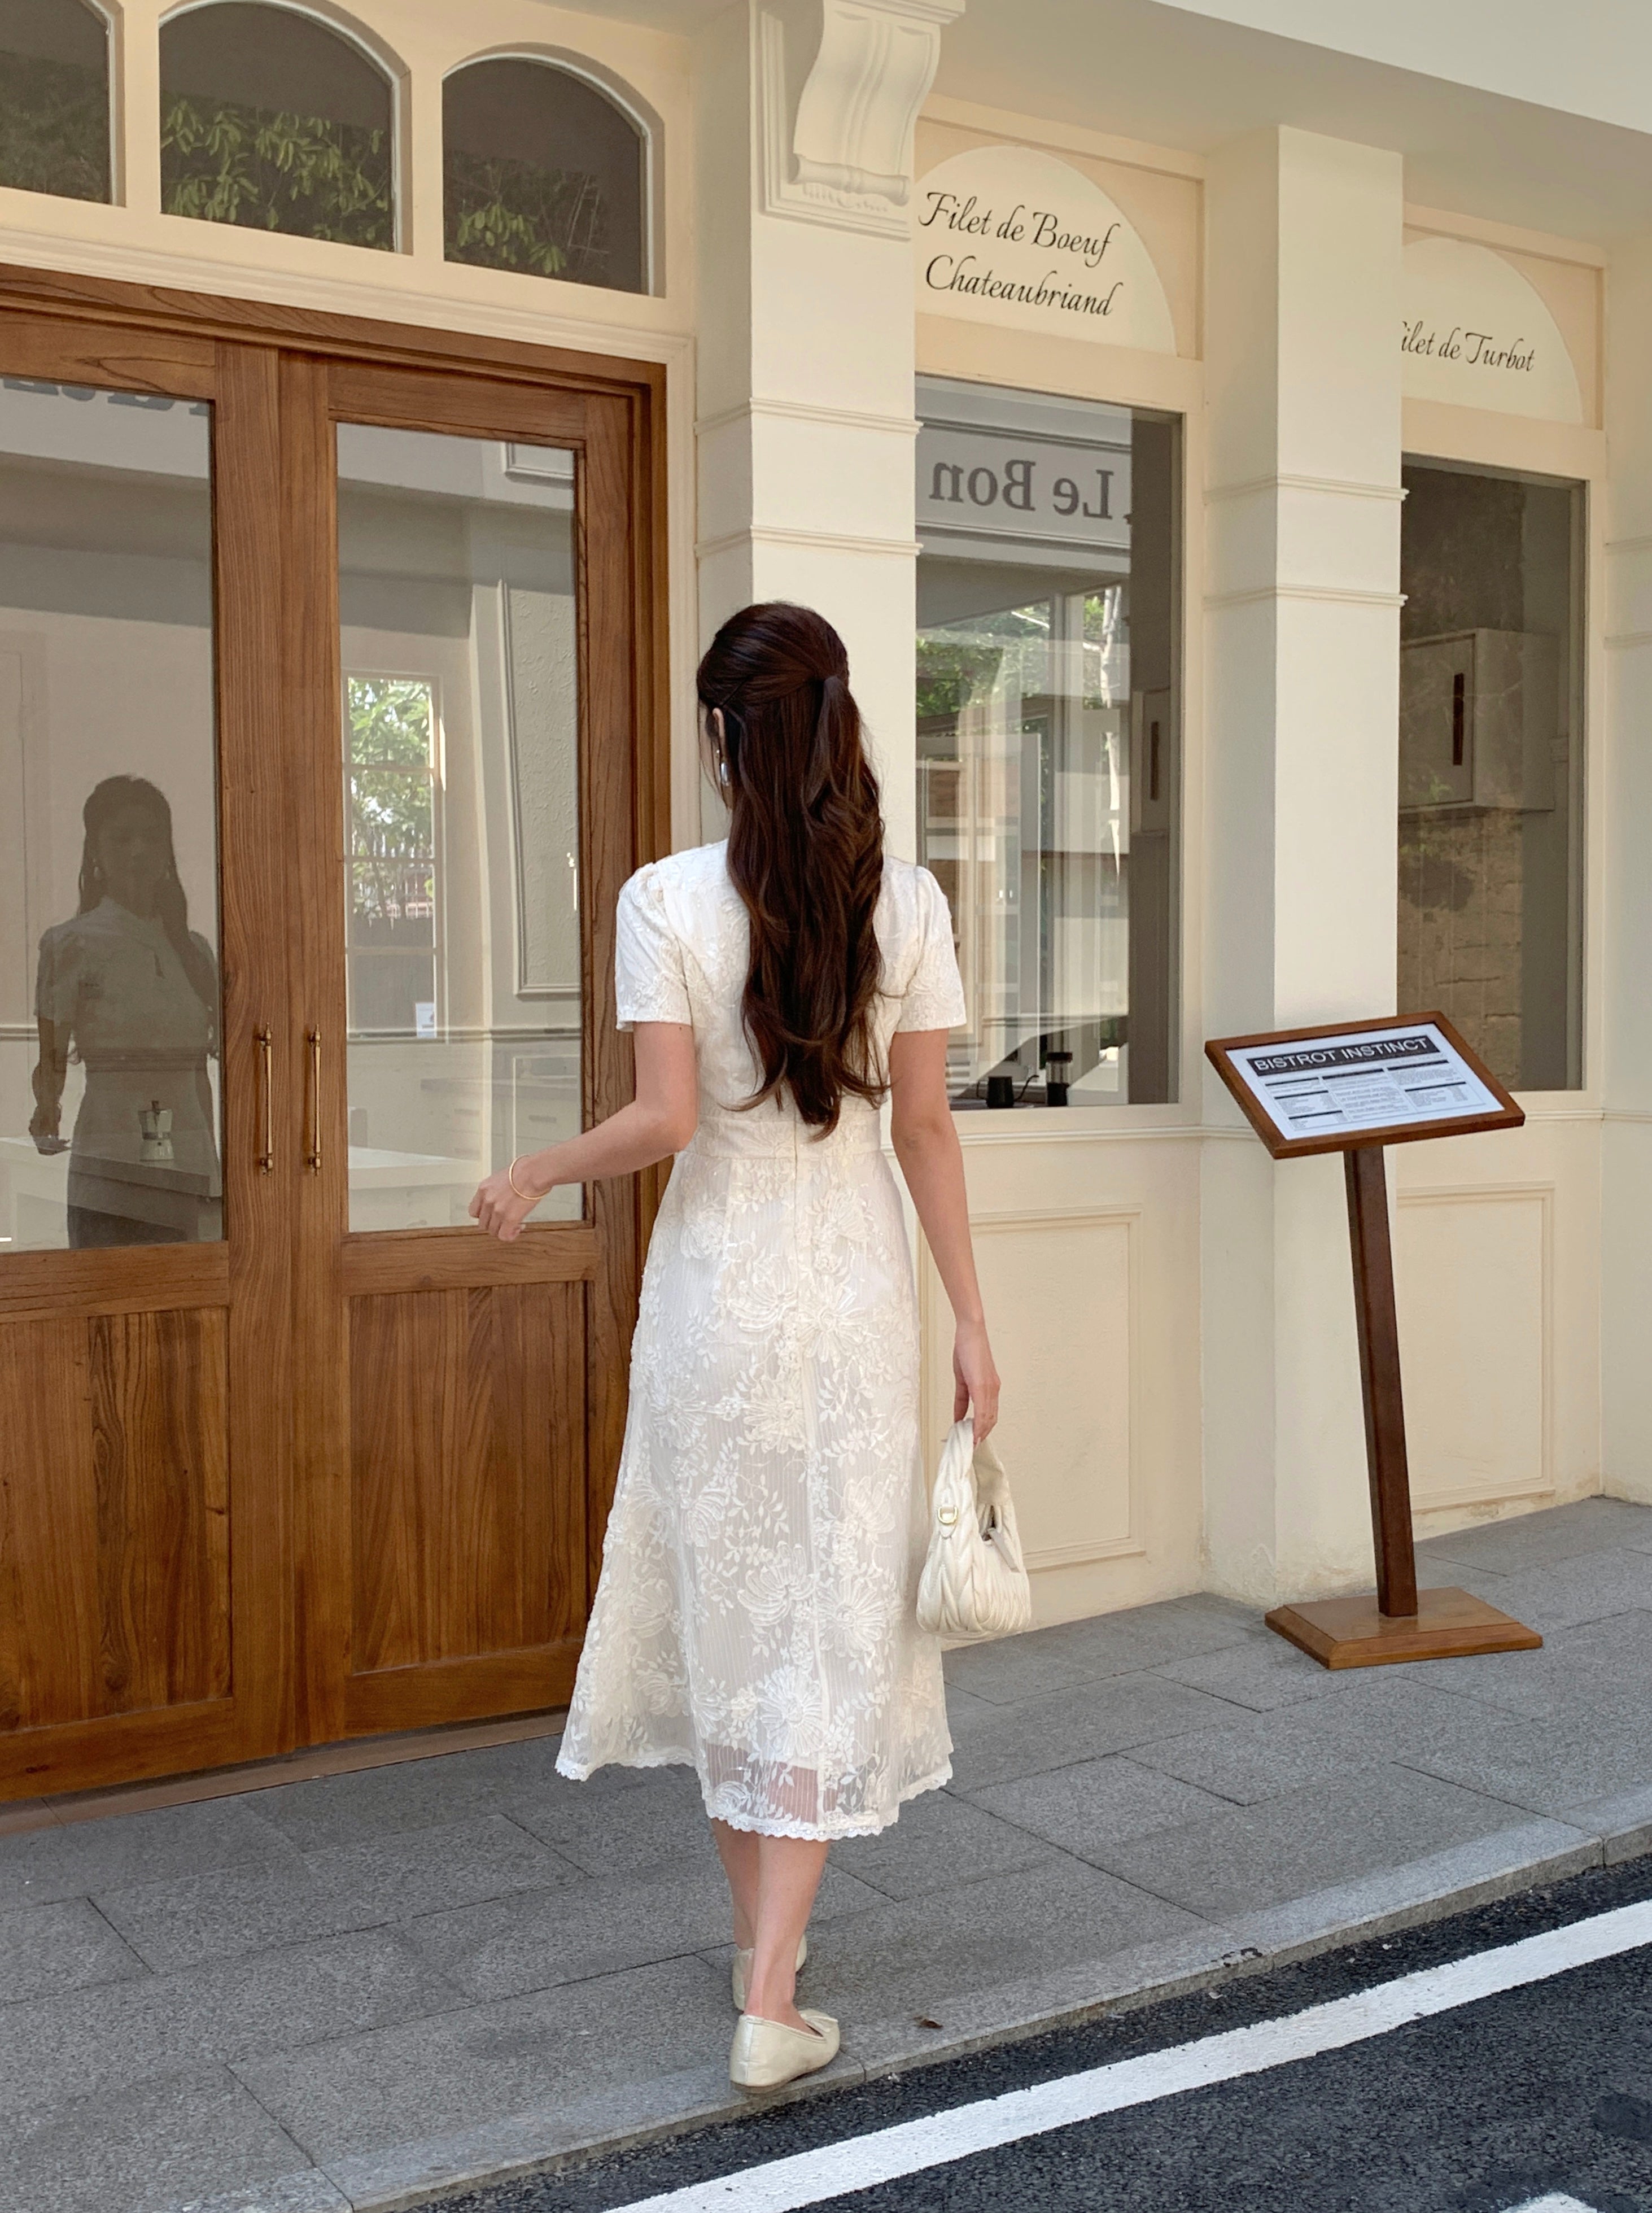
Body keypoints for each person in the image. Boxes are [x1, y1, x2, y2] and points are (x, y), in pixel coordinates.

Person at [471, 602, 1000, 2092]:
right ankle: (769, 1972)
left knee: (724, 1613)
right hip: (847, 1297)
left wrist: (532, 1168)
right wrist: (971, 1318)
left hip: (713, 1297)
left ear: (720, 733)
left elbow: (660, 1122)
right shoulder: (906, 900)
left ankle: (764, 1959)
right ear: (835, 722)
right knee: (825, 1619)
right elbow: (925, 1128)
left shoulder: (662, 898)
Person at [30, 776, 220, 1247]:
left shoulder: (194, 953)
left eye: (151, 836)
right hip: (111, 1167)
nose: (138, 850)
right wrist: (45, 1112)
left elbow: (201, 1075)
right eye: (121, 837)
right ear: (96, 851)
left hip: (189, 1170)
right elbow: (51, 1060)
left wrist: (216, 1177)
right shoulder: (69, 944)